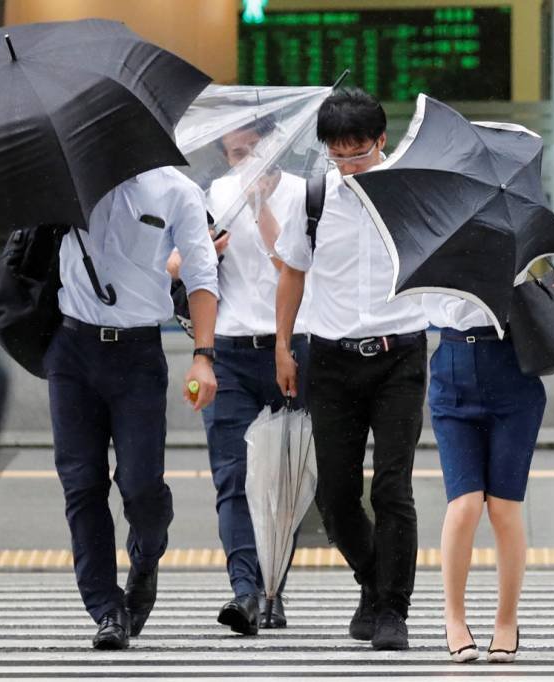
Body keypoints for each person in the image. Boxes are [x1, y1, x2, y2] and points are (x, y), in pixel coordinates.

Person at [274, 88, 429, 652]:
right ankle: (372, 579)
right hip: (332, 360)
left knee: (392, 487)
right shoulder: (314, 198)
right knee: (336, 499)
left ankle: (393, 610)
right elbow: (292, 273)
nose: (348, 164)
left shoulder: (411, 190)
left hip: (400, 357)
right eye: (337, 154)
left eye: (358, 152)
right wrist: (283, 347)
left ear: (381, 140)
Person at [46, 166, 219, 651]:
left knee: (141, 486)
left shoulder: (176, 190)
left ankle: (145, 557)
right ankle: (106, 609)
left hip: (138, 354)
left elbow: (202, 272)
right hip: (72, 348)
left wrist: (203, 357)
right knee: (82, 483)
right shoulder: (63, 182)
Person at [167, 116, 311, 635]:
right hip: (227, 349)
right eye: (234, 152)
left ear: (276, 147)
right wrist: (204, 250)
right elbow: (176, 266)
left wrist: (260, 207)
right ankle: (245, 592)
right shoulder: (212, 194)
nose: (245, 160)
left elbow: (290, 269)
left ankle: (275, 589)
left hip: (289, 350)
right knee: (233, 477)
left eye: (255, 149)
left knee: (282, 479)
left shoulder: (303, 194)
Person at [424, 295, 545, 664]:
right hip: (453, 367)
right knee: (465, 504)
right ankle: (454, 617)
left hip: (512, 365)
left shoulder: (511, 240)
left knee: (505, 508)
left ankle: (506, 621)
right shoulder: (434, 244)